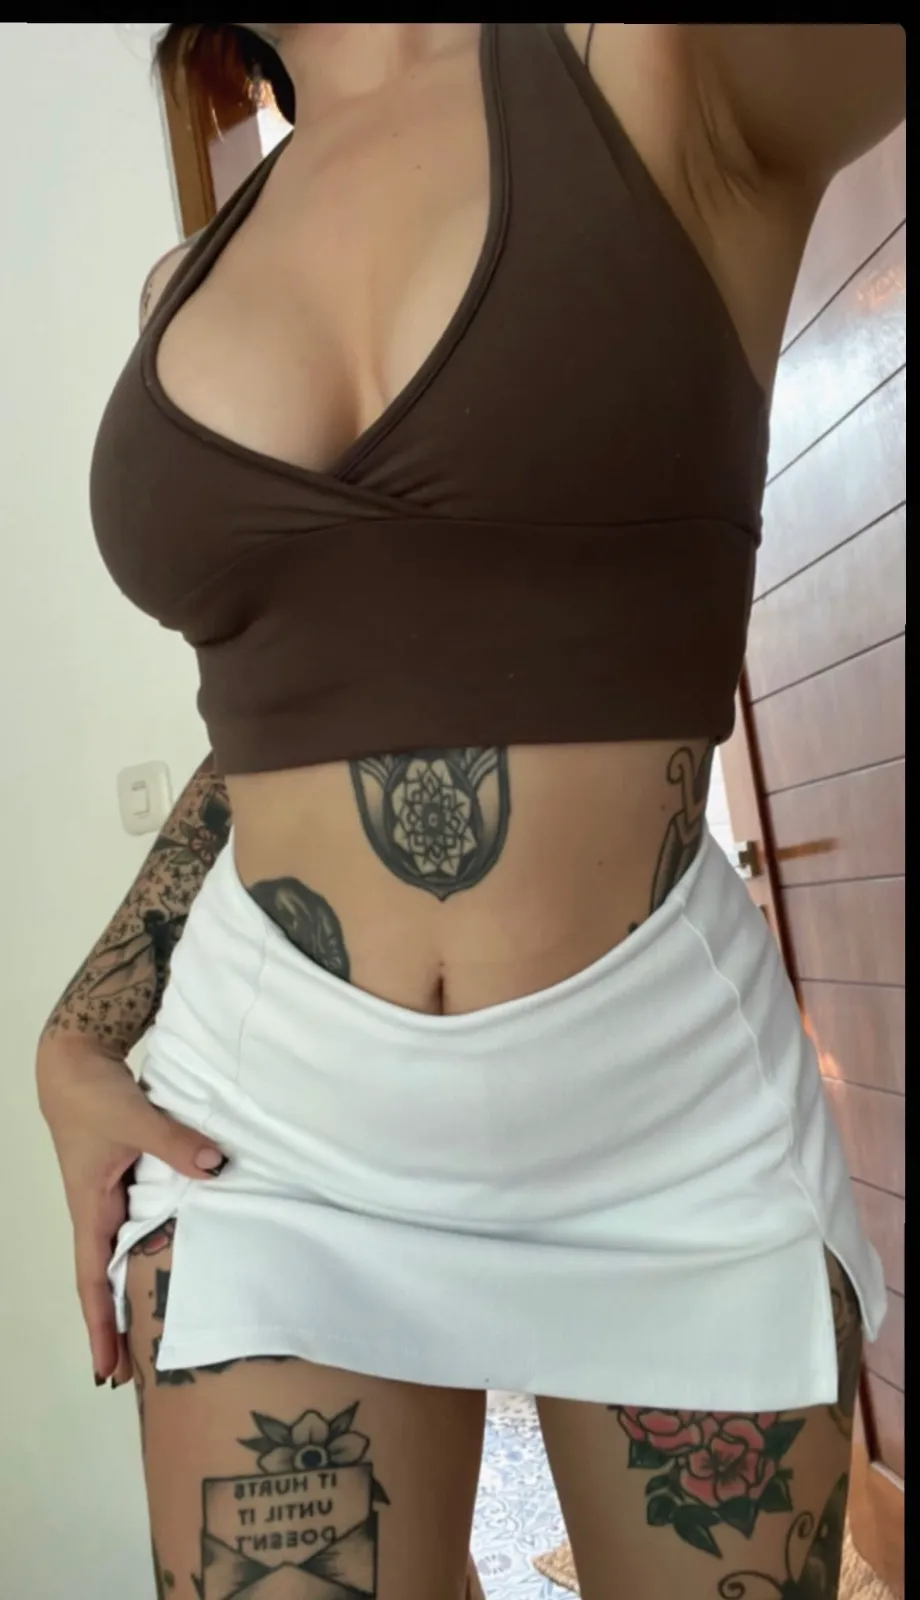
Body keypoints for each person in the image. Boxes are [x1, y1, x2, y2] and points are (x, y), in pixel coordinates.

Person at [37, 23, 904, 1600]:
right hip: (269, 1135)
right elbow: (277, 735)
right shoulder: (186, 286)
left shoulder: (665, 69)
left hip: (664, 1124)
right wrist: (82, 1026)